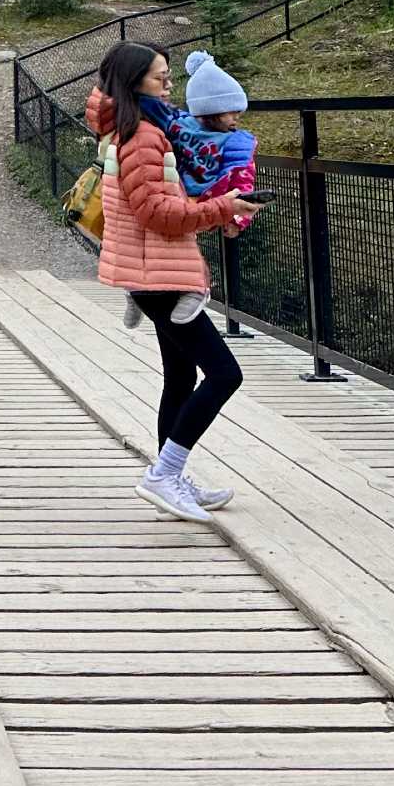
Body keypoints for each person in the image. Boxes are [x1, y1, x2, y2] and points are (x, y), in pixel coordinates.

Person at [86, 42, 260, 523]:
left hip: (152, 270)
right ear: (136, 80)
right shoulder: (144, 136)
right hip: (156, 272)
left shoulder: (144, 125)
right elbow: (159, 214)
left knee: (182, 375)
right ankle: (163, 475)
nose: (169, 85)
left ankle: (170, 475)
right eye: (161, 77)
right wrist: (228, 207)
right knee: (225, 374)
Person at [121, 48, 258, 331]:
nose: (236, 118)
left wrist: (238, 218)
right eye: (231, 111)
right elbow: (149, 105)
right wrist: (119, 83)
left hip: (208, 199)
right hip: (176, 194)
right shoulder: (180, 125)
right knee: (156, 240)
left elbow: (242, 180)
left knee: (186, 245)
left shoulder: (237, 142)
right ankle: (139, 289)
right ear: (211, 110)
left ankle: (194, 288)